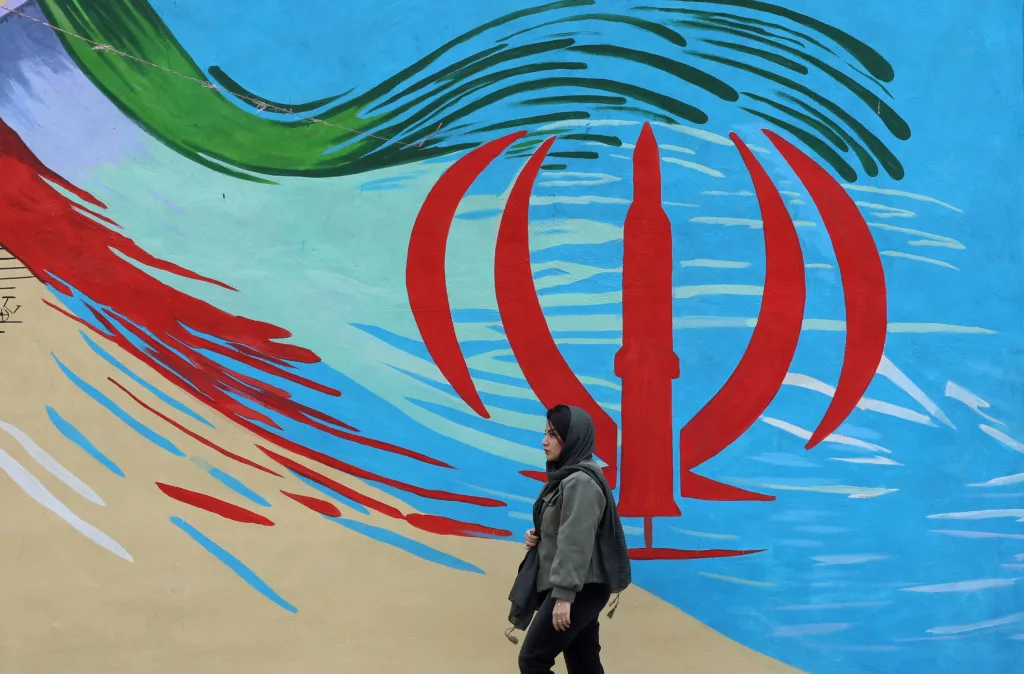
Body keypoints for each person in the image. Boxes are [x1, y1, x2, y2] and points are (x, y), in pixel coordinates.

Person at [506, 404, 632, 674]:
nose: (544, 441)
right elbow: (566, 530)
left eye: (553, 434)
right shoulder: (567, 478)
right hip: (580, 586)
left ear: (573, 437)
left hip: (578, 588)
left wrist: (563, 597)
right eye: (545, 433)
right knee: (584, 664)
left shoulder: (580, 482)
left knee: (532, 659)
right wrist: (539, 536)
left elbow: (577, 540)